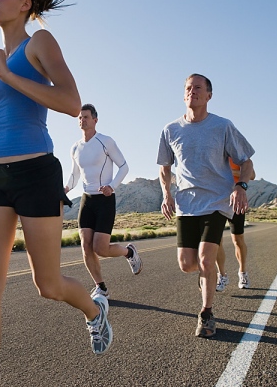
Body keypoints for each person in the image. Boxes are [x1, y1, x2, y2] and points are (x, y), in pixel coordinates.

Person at [0, 0, 112, 385]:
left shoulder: (38, 43)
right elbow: (12, 119)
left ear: (25, 3)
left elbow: (70, 101)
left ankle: (95, 311)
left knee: (47, 285)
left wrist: (8, 73)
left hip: (36, 173)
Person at [157, 73, 254, 338]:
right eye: (188, 88)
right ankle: (208, 279)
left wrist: (240, 186)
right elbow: (164, 168)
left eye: (198, 88)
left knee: (205, 259)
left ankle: (206, 313)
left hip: (217, 202)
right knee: (187, 264)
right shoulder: (171, 130)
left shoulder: (223, 126)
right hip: (186, 204)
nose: (192, 92)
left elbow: (246, 162)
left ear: (209, 95)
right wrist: (167, 194)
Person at [65, 103, 142, 299]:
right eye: (80, 118)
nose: (82, 120)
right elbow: (74, 175)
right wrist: (65, 189)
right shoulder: (75, 147)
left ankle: (129, 252)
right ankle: (101, 288)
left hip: (105, 199)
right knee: (85, 246)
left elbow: (124, 166)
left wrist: (112, 186)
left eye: (86, 117)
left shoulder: (105, 141)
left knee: (100, 248)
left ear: (95, 120)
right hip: (87, 199)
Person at [215, 159, 256, 292]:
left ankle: (243, 273)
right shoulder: (213, 151)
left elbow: (252, 175)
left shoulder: (237, 154)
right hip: (216, 201)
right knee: (216, 241)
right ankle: (222, 275)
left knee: (238, 240)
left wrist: (227, 172)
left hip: (236, 200)